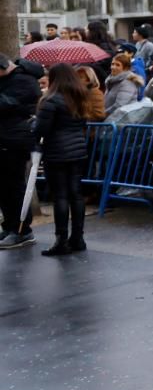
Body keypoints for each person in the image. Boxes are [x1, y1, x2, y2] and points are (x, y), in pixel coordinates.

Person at [33, 63, 98, 255]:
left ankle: (61, 240)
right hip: (77, 149)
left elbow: (41, 130)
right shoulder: (80, 97)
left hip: (56, 151)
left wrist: (34, 125)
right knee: (76, 194)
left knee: (60, 195)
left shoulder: (50, 100)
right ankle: (77, 238)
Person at [0, 54, 43, 249]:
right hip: (6, 136)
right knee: (4, 187)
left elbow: (8, 104)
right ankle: (9, 226)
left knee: (14, 185)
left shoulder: (24, 80)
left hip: (14, 139)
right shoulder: (9, 79)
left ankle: (22, 230)